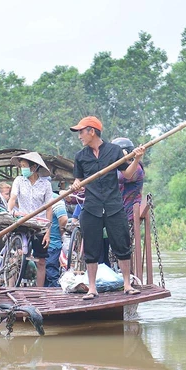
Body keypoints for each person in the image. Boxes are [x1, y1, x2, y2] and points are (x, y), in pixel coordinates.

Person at [69, 116, 144, 300]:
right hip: (91, 206)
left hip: (113, 205)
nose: (79, 136)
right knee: (91, 249)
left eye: (81, 132)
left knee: (121, 245)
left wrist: (137, 159)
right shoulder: (81, 156)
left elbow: (127, 174)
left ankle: (127, 285)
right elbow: (78, 179)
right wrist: (76, 185)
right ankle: (92, 288)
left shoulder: (114, 151)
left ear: (92, 131)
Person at [7, 152, 57, 288]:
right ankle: (11, 287)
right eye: (21, 166)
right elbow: (13, 198)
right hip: (22, 222)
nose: (22, 169)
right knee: (15, 257)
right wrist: (9, 211)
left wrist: (48, 232)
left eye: (24, 166)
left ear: (34, 167)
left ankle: (39, 290)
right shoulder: (19, 180)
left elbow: (49, 208)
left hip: (40, 224)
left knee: (41, 261)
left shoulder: (45, 184)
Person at [112, 138, 144, 227]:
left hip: (130, 213)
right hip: (119, 212)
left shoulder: (136, 167)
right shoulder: (118, 169)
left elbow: (120, 177)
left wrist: (123, 159)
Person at [44, 199, 69, 288]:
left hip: (53, 242)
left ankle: (55, 291)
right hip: (41, 241)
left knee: (51, 271)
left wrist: (60, 233)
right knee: (45, 272)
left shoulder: (56, 200)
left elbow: (63, 219)